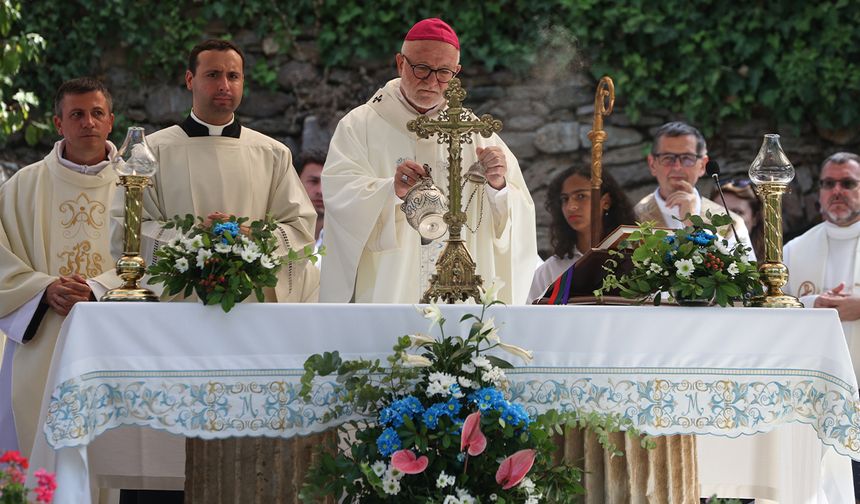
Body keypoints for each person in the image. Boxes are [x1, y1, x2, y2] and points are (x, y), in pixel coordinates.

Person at [320, 18, 537, 304]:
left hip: (459, 292)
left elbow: (518, 214)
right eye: (421, 68)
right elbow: (340, 193)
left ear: (456, 72)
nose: (432, 81)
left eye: (444, 72)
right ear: (400, 63)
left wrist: (498, 187)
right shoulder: (360, 126)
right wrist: (391, 192)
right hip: (391, 288)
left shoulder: (474, 132)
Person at [121, 39, 318, 302]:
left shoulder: (272, 153)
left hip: (249, 304)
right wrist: (196, 236)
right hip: (178, 306)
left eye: (233, 76)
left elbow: (299, 229)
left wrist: (249, 236)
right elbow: (130, 230)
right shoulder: (152, 152)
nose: (224, 85)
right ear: (190, 80)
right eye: (213, 75)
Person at [0, 78, 118, 455]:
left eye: (97, 113)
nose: (89, 123)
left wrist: (98, 289)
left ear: (111, 121)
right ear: (58, 124)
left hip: (112, 339)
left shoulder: (138, 184)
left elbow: (152, 258)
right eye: (77, 114)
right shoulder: (22, 186)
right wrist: (43, 288)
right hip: (41, 337)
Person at [635, 121, 755, 259]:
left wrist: (693, 222)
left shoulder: (730, 224)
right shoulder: (633, 218)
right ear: (652, 164)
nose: (677, 167)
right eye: (668, 158)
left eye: (687, 158)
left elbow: (746, 277)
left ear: (703, 165)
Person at [528, 166, 635, 302]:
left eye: (581, 196)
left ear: (606, 202)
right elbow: (530, 312)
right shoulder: (552, 269)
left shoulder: (632, 260)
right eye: (565, 199)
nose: (571, 206)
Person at [710, 177, 765, 260]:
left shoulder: (773, 263)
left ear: (755, 218)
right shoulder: (694, 257)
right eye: (719, 211)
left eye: (737, 212)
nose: (726, 219)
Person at [297, 149, 326, 254]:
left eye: (327, 183)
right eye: (313, 181)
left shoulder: (345, 242)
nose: (321, 191)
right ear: (296, 184)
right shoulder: (274, 238)